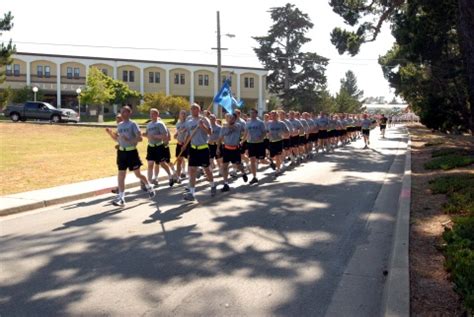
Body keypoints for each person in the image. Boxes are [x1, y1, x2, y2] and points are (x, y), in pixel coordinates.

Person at [106, 105, 155, 207]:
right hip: (121, 153)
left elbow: (140, 138)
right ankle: (121, 198)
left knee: (138, 175)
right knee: (121, 175)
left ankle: (149, 186)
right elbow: (117, 140)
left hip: (132, 152)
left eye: (125, 112)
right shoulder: (119, 125)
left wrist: (130, 140)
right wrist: (110, 133)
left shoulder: (133, 124)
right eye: (121, 112)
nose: (122, 114)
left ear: (129, 113)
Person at [182, 103, 217, 201]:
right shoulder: (189, 122)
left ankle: (212, 185)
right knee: (192, 170)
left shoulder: (204, 119)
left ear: (199, 110)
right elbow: (189, 135)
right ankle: (191, 193)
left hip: (203, 148)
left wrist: (202, 126)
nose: (193, 110)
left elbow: (210, 133)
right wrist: (184, 144)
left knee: (207, 170)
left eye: (195, 109)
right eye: (192, 109)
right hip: (193, 149)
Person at [143, 108, 177, 188]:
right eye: (150, 114)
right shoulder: (149, 124)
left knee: (162, 163)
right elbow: (147, 134)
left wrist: (154, 136)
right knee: (150, 164)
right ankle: (149, 183)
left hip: (159, 146)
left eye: (153, 114)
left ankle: (170, 176)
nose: (151, 115)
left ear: (157, 115)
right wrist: (143, 134)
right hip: (151, 147)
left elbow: (165, 136)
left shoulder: (160, 124)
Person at [217, 113, 248, 192]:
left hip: (235, 149)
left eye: (232, 118)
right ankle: (226, 184)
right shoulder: (223, 128)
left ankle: (243, 173)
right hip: (227, 149)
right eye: (229, 118)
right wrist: (218, 148)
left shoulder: (238, 125)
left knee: (238, 165)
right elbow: (220, 138)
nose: (231, 119)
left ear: (235, 119)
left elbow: (245, 131)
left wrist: (243, 140)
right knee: (224, 167)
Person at [244, 108, 273, 184]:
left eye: (253, 113)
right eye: (250, 113)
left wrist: (261, 137)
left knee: (262, 161)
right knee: (252, 160)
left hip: (259, 143)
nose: (251, 114)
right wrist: (242, 141)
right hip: (250, 143)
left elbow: (264, 132)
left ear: (256, 114)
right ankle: (254, 177)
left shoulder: (260, 122)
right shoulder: (248, 122)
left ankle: (270, 163)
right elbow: (246, 132)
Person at [266, 110, 289, 176]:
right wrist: (268, 134)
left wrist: (282, 134)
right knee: (272, 157)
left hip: (279, 141)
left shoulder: (281, 123)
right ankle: (278, 163)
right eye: (272, 115)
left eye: (274, 115)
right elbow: (267, 132)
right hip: (271, 141)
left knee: (277, 156)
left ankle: (278, 170)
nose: (273, 116)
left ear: (277, 116)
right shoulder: (269, 123)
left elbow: (287, 132)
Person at [174, 110, 188, 182]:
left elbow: (188, 134)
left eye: (184, 114)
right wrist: (176, 135)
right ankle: (178, 177)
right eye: (181, 114)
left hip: (187, 145)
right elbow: (177, 131)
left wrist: (185, 144)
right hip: (179, 144)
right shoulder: (178, 123)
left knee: (191, 160)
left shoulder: (188, 123)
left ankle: (196, 171)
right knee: (179, 161)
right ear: (179, 115)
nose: (183, 115)